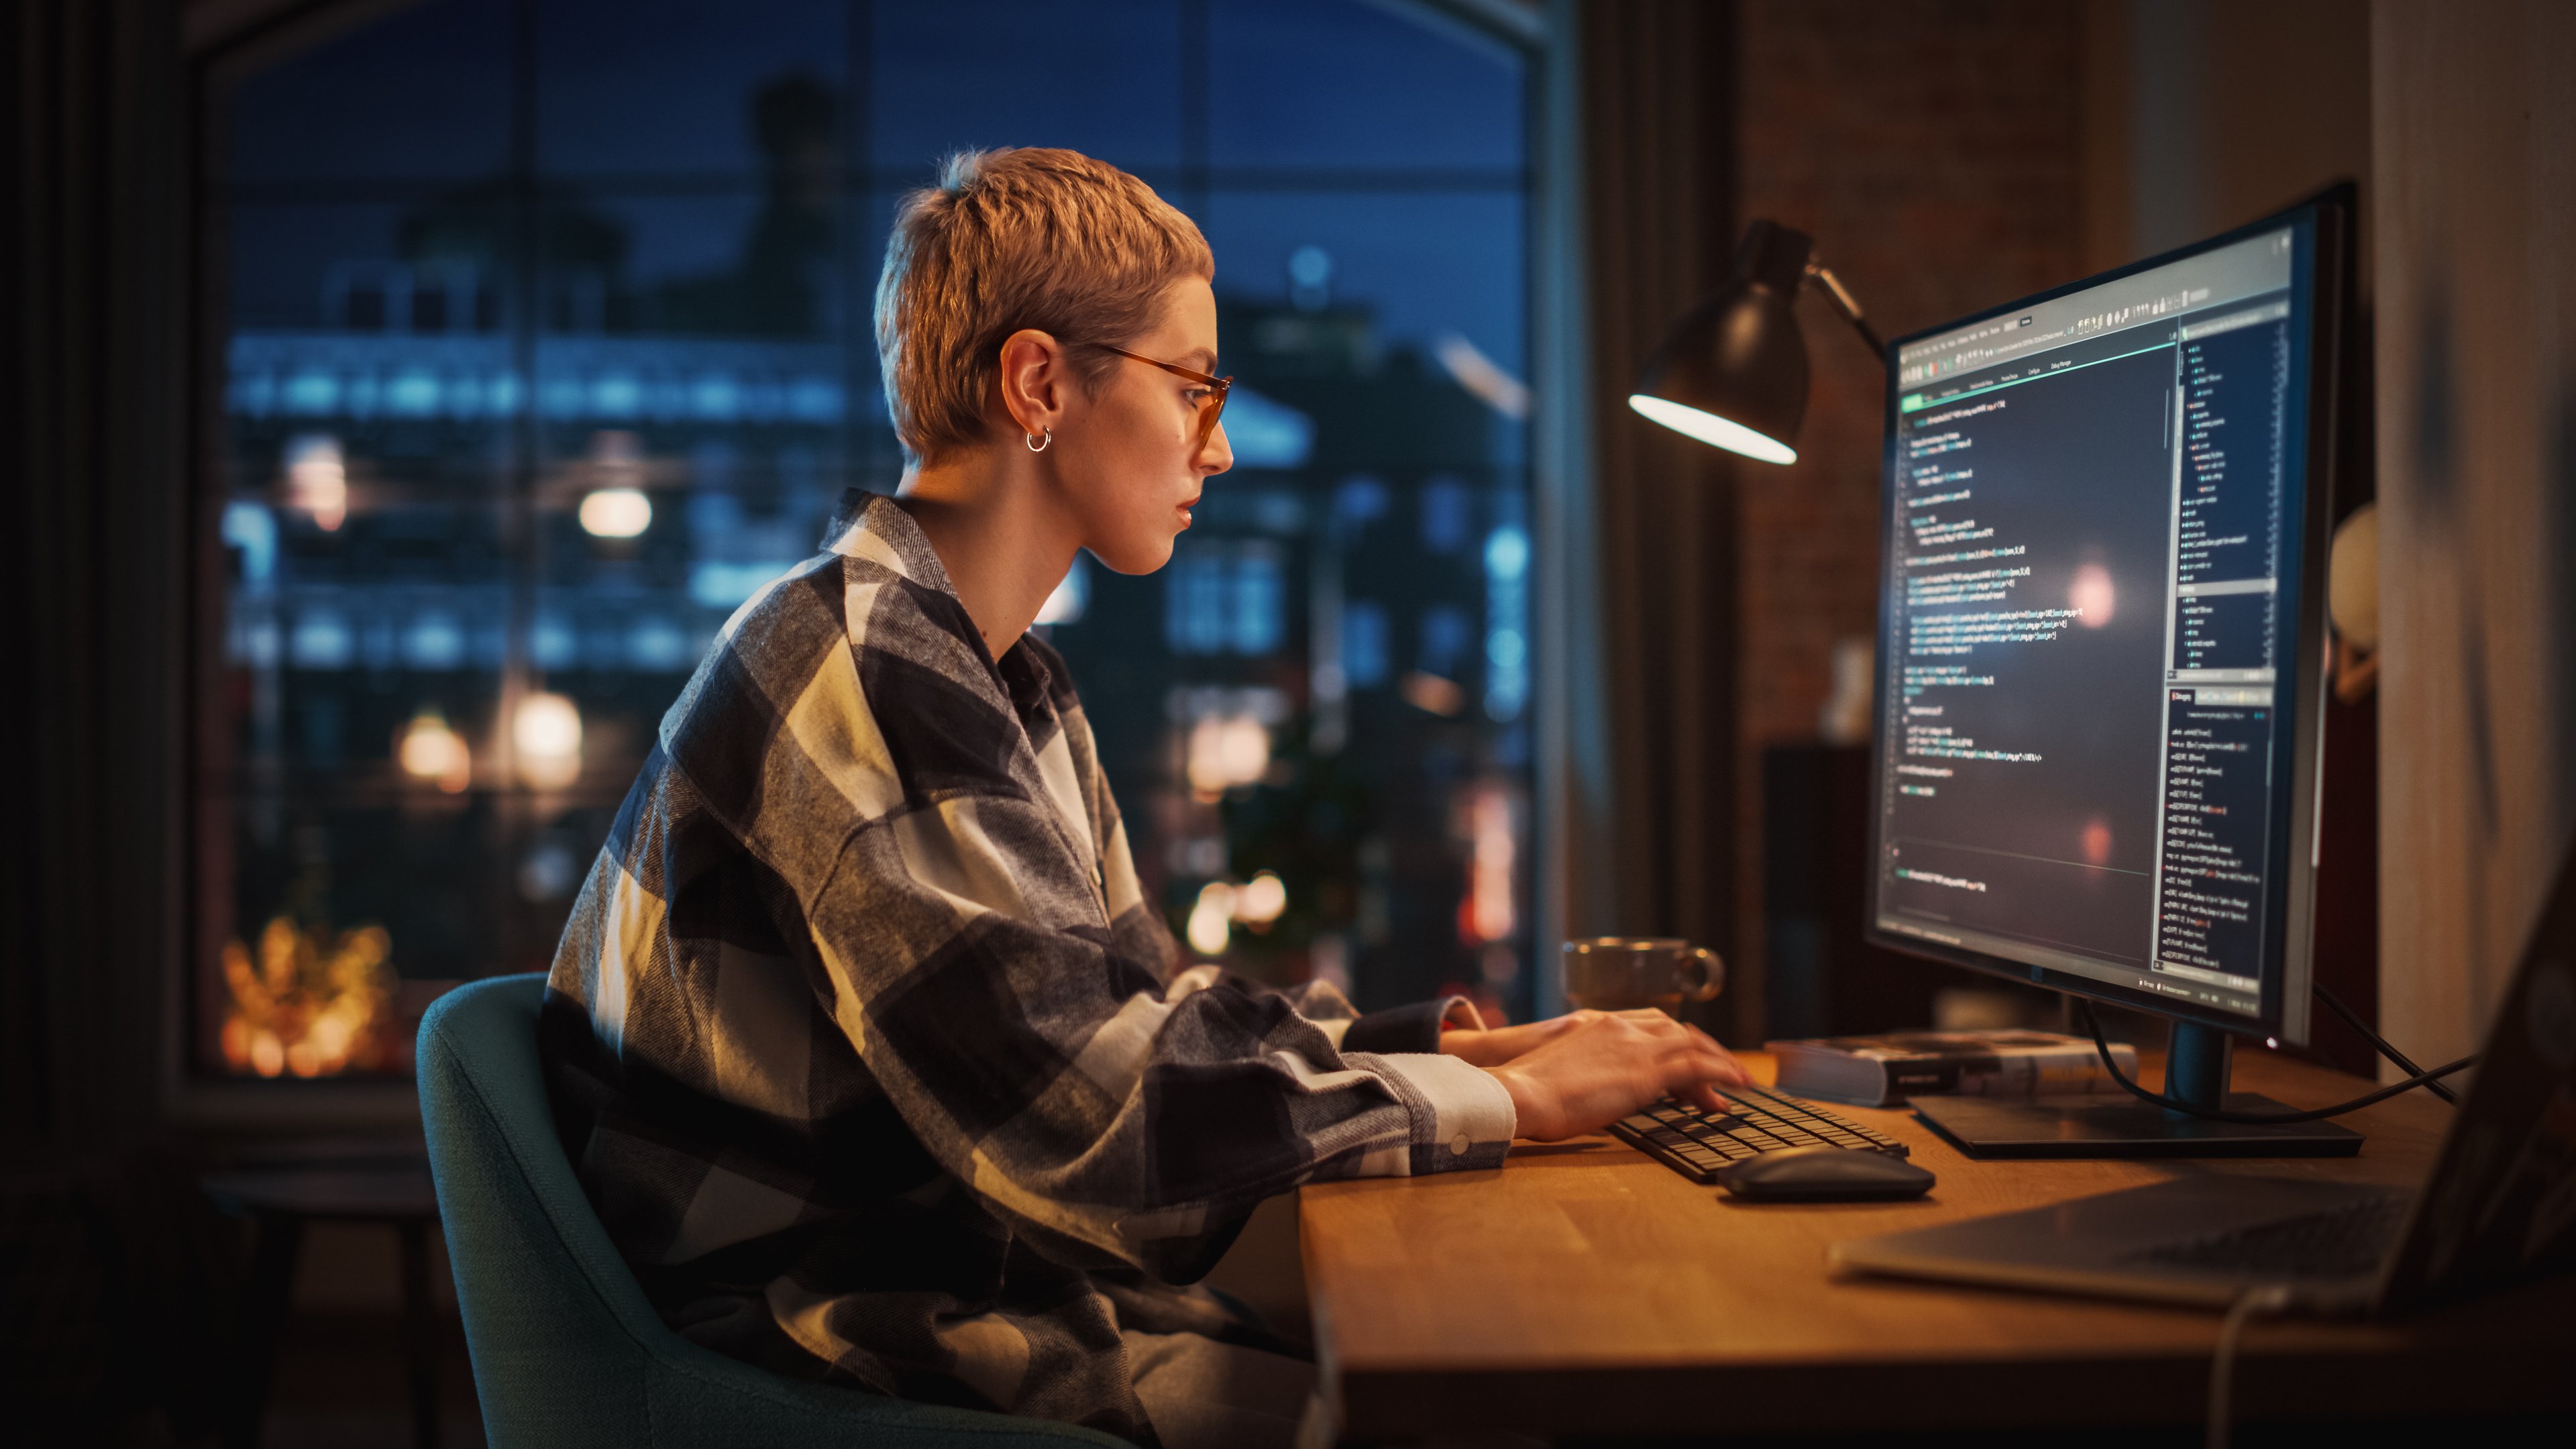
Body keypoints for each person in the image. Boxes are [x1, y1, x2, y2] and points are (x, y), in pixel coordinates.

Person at [541, 146, 1748, 1449]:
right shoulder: (862, 664)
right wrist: (1513, 1104)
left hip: (979, 1300)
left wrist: (1448, 1056)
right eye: (1193, 388)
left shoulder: (1005, 675)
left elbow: (1140, 1016)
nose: (1217, 448)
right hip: (844, 1361)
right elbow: (1095, 1131)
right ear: (1040, 384)